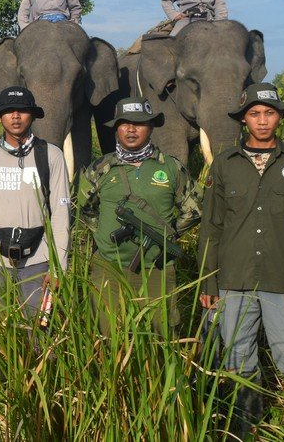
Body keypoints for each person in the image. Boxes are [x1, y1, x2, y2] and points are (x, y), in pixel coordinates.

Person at [198, 83, 284, 435]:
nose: (262, 120)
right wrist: (208, 281)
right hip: (233, 280)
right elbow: (211, 228)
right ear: (243, 119)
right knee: (237, 360)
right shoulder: (224, 164)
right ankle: (244, 429)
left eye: (269, 113)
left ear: (280, 117)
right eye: (254, 113)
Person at [0, 87, 70, 354]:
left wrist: (58, 267)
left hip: (38, 262)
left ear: (32, 115)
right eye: (9, 111)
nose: (16, 116)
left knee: (40, 332)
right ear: (0, 117)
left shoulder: (51, 155)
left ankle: (39, 377)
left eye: (22, 110)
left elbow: (61, 215)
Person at [78, 97, 200, 337]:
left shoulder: (170, 167)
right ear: (116, 128)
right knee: (108, 335)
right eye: (124, 123)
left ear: (151, 127)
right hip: (108, 268)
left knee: (161, 336)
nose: (131, 129)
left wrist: (168, 234)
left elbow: (194, 209)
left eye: (139, 123)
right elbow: (85, 209)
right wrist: (103, 235)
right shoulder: (100, 168)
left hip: (157, 269)